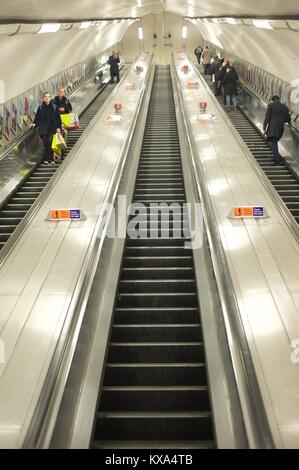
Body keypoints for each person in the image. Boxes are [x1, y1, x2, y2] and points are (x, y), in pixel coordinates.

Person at [30, 91, 62, 164]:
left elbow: (58, 118)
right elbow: (37, 118)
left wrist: (58, 127)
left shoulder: (54, 107)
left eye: (48, 97)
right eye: (45, 97)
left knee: (50, 143)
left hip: (52, 128)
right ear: (43, 98)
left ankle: (52, 159)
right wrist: (34, 124)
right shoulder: (40, 107)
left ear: (50, 98)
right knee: (45, 143)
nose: (47, 98)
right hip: (43, 128)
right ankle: (47, 159)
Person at [263, 95, 291, 165]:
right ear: (279, 99)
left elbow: (267, 117)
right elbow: (288, 119)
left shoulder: (271, 105)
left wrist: (264, 128)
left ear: (272, 100)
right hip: (280, 128)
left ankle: (277, 160)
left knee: (274, 143)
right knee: (274, 142)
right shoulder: (284, 107)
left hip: (273, 127)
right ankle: (277, 157)